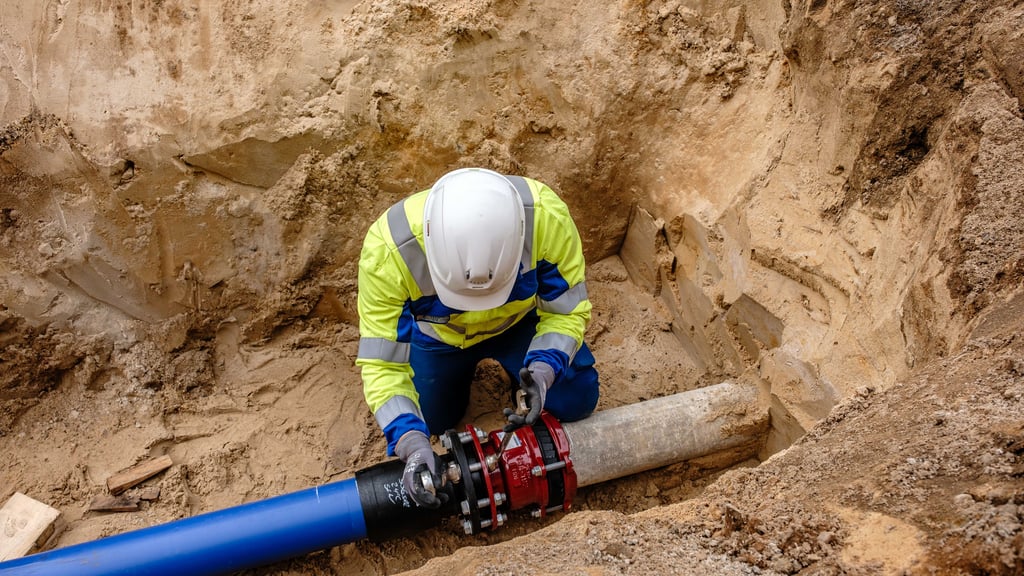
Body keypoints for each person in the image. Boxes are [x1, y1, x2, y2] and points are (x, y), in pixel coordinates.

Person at [355, 167, 600, 508]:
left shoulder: (546, 219)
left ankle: (524, 370)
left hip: (519, 325)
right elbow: (383, 365)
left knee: (576, 398)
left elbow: (566, 312)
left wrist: (543, 372)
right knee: (430, 420)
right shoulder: (389, 253)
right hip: (440, 340)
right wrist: (410, 441)